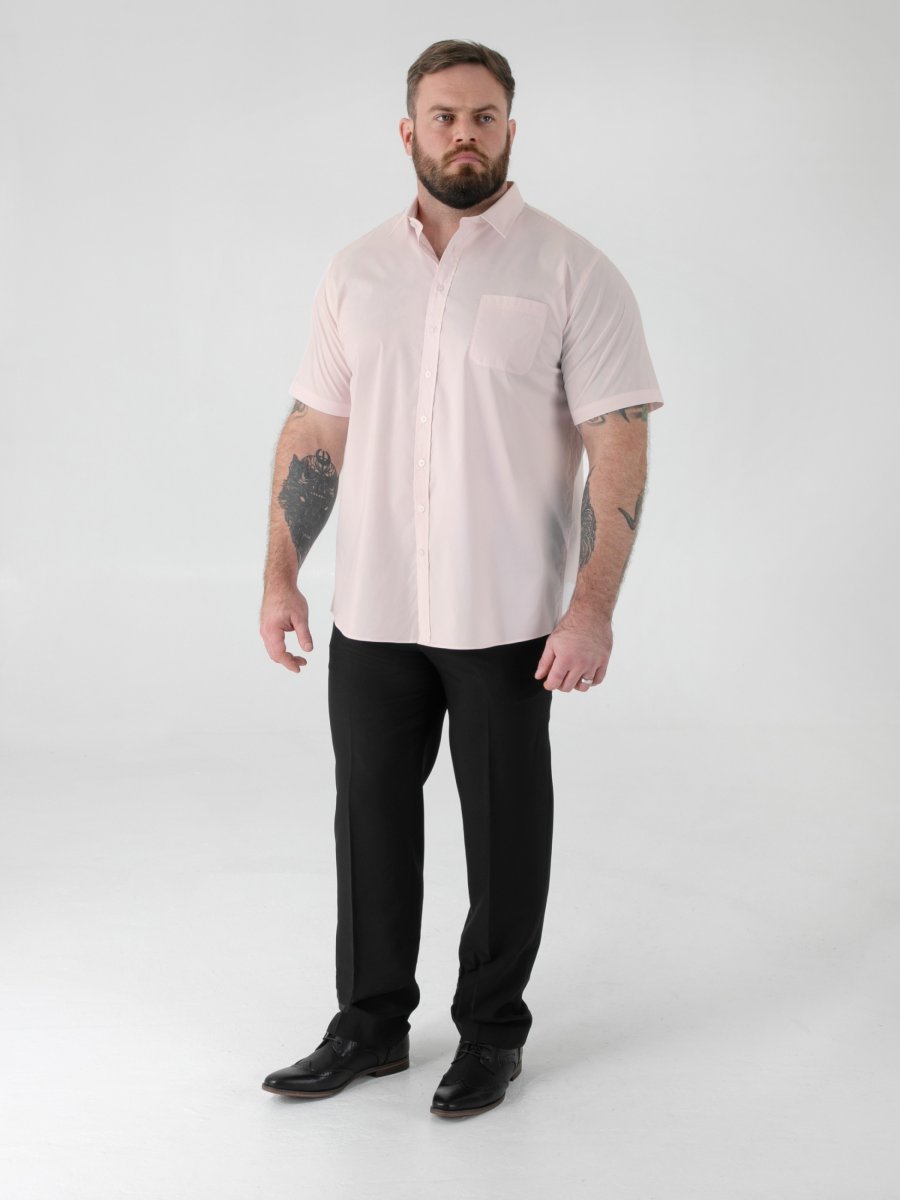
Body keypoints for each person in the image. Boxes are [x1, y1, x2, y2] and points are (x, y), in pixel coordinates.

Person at [258, 38, 664, 1119]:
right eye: (443, 117)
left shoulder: (574, 271)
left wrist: (591, 608)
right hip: (375, 608)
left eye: (484, 117)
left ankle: (490, 1034)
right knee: (369, 821)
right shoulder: (356, 272)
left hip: (508, 615)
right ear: (409, 132)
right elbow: (316, 429)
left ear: (511, 130)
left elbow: (619, 445)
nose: (464, 135)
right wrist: (282, 574)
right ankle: (370, 1024)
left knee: (504, 830)